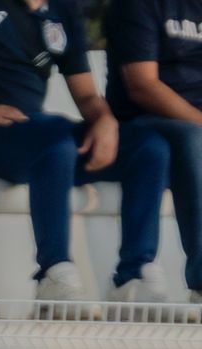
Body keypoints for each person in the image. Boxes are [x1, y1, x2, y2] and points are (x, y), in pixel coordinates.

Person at [0, 0, 173, 309]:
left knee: (148, 148)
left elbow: (86, 95)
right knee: (55, 140)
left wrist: (104, 121)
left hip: (34, 140)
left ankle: (132, 277)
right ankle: (53, 274)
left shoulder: (62, 11)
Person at [105, 0, 202, 304]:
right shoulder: (138, 6)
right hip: (143, 122)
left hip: (194, 128)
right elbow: (142, 85)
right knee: (192, 139)